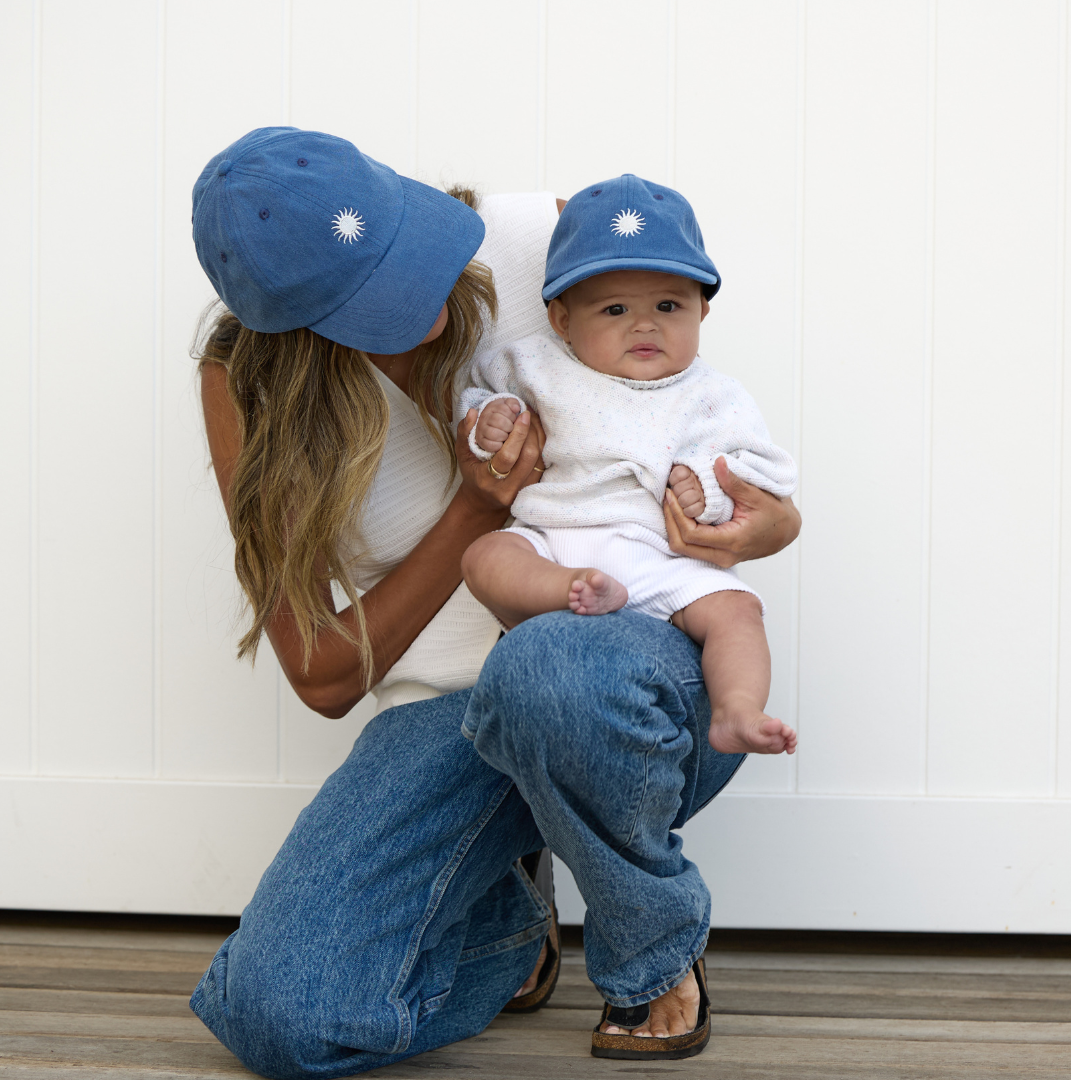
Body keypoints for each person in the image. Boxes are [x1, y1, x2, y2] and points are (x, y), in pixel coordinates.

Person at [186, 126, 801, 1077]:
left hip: (618, 671)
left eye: (413, 251)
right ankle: (511, 921)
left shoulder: (533, 239)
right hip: (446, 724)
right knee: (281, 1018)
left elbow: (688, 400)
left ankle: (654, 949)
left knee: (545, 662)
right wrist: (479, 509)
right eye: (379, 296)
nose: (428, 294)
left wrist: (761, 528)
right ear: (294, 328)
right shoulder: (247, 390)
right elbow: (321, 674)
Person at [461, 175, 798, 758]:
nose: (645, 325)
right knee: (486, 556)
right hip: (554, 535)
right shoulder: (535, 364)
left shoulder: (714, 396)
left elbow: (757, 472)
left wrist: (709, 499)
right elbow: (479, 398)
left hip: (661, 553)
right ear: (562, 320)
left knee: (737, 610)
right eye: (614, 309)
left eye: (669, 306)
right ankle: (565, 590)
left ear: (703, 310)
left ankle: (736, 709)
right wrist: (488, 419)